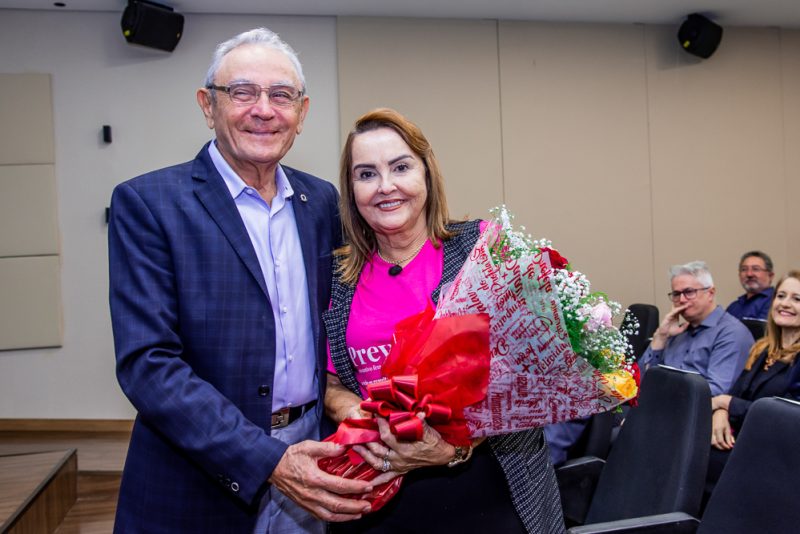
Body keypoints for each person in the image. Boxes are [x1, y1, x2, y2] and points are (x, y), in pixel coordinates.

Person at [108, 28, 373, 533]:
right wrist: (267, 460)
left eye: (281, 95)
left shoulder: (323, 202)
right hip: (201, 472)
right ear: (208, 106)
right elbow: (148, 364)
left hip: (317, 452)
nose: (264, 110)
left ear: (302, 112)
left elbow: (351, 316)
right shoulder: (149, 204)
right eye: (243, 92)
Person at [322, 108, 565, 533]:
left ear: (427, 173)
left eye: (400, 167)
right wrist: (366, 417)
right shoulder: (337, 278)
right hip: (376, 496)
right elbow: (328, 382)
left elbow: (532, 368)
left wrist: (452, 447)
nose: (385, 186)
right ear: (352, 190)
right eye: (366, 174)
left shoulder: (481, 247)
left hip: (491, 486)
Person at [706, 271, 800, 491]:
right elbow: (735, 392)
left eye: (797, 299)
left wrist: (725, 403)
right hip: (741, 440)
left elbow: (787, 417)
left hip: (778, 454)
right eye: (781, 296)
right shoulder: (762, 348)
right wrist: (720, 413)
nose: (785, 304)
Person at [639, 261, 753, 396]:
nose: (682, 300)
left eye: (689, 292)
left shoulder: (732, 333)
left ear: (710, 293)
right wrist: (660, 337)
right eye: (676, 294)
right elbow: (638, 382)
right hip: (658, 402)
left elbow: (716, 391)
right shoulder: (676, 332)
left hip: (692, 407)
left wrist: (663, 393)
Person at [726, 251, 775, 322]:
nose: (749, 274)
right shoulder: (733, 307)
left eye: (756, 269)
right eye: (744, 269)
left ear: (770, 276)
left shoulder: (776, 301)